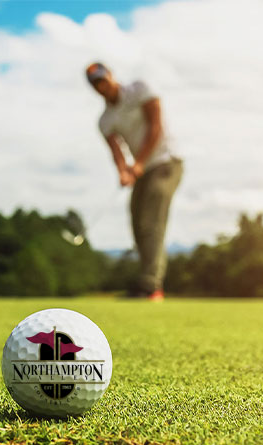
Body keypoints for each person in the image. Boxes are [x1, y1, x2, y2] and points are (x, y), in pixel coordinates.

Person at [86, 62, 183, 302]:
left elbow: (155, 127)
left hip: (166, 162)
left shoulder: (141, 89)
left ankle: (151, 286)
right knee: (138, 224)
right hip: (143, 170)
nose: (102, 85)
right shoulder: (105, 120)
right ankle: (145, 282)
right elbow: (117, 151)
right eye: (96, 83)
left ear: (111, 75)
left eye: (103, 79)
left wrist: (137, 163)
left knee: (151, 221)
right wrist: (122, 171)